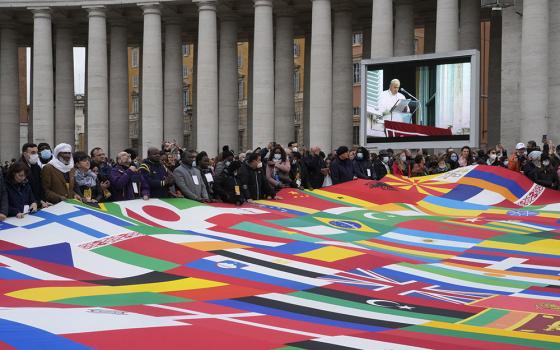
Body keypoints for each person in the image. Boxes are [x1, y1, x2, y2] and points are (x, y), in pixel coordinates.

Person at [20, 143, 49, 208]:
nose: (36, 155)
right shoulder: (19, 168)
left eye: (36, 152)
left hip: (38, 203)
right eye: (33, 153)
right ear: (25, 154)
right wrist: (38, 201)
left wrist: (43, 200)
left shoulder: (36, 167)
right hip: (26, 205)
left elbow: (40, 185)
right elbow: (25, 190)